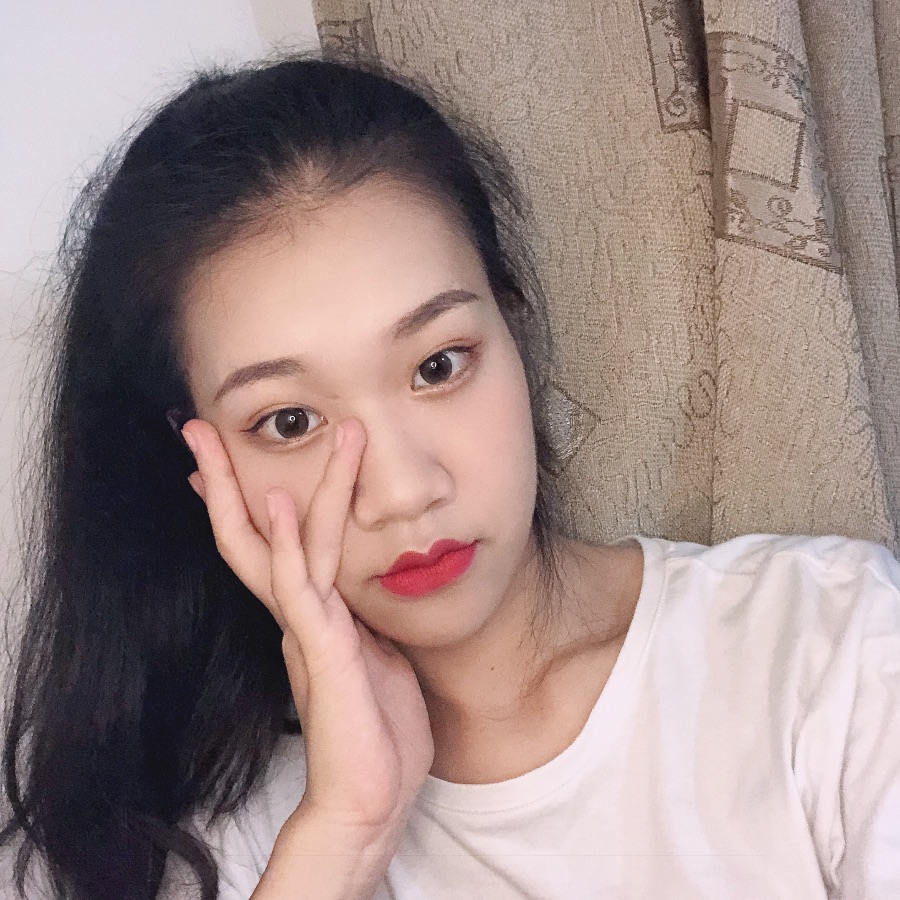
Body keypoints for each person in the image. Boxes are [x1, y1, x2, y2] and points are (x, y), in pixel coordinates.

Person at [1, 52, 898, 900]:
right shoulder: (200, 838)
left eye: (438, 365)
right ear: (203, 460)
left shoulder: (827, 653)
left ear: (514, 327)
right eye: (290, 421)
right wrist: (345, 835)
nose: (402, 491)